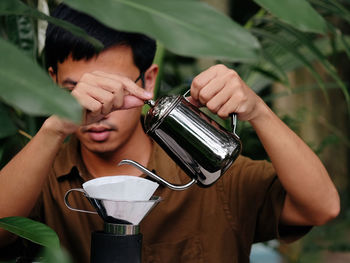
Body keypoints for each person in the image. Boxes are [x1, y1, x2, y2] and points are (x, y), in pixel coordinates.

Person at [0, 3, 340, 263]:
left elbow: (320, 207)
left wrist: (259, 112)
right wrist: (56, 126)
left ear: (148, 80)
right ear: (53, 82)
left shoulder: (213, 176)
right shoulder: (38, 179)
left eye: (115, 91)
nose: (98, 110)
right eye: (77, 91)